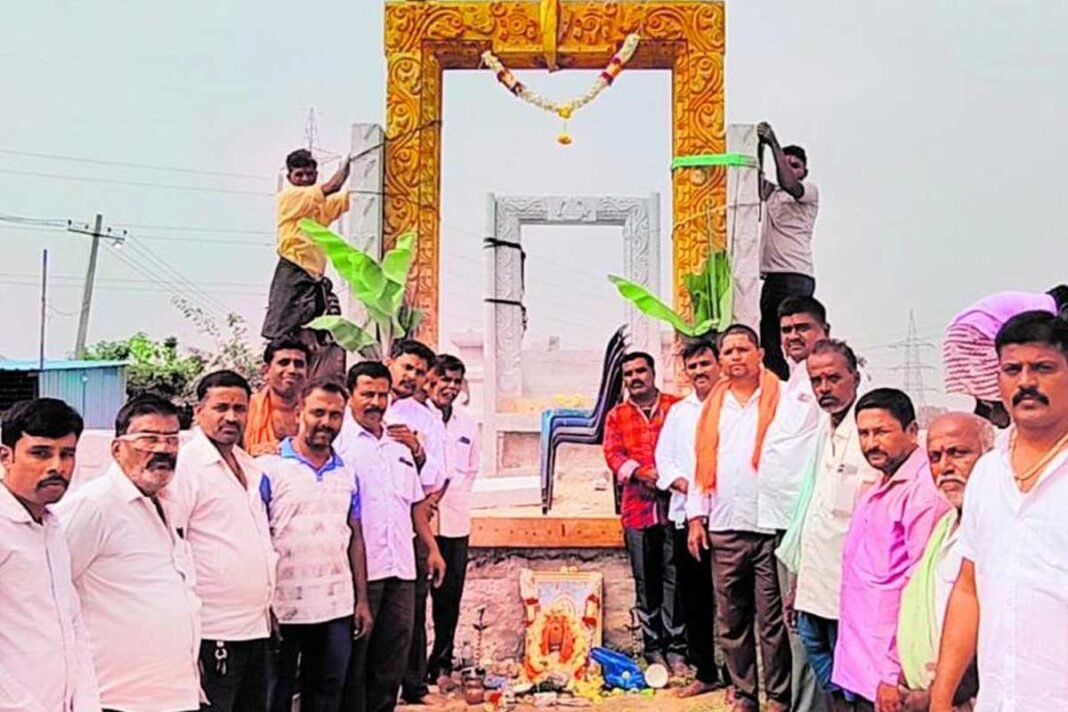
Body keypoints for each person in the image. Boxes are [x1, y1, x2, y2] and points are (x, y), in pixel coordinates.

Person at [931, 311, 1068, 711]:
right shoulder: (988, 473)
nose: (1026, 381)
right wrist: (941, 698)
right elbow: (969, 587)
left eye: (1043, 367)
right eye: (1012, 369)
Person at [57, 395, 202, 712]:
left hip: (173, 694)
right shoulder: (93, 506)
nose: (163, 449)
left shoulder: (165, 502)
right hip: (116, 699)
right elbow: (45, 591)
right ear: (117, 448)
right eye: (148, 438)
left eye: (171, 439)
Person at [688, 324, 791, 712]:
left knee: (772, 623)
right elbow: (700, 463)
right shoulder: (712, 405)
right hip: (725, 527)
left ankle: (779, 697)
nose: (735, 357)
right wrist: (697, 519)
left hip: (769, 526)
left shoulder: (780, 397)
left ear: (759, 353)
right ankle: (745, 696)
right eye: (728, 351)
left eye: (742, 349)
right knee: (732, 622)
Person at [160, 371, 277, 712]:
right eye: (221, 407)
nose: (231, 417)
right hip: (213, 631)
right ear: (199, 411)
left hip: (255, 626)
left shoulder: (247, 465)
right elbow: (172, 547)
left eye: (240, 409)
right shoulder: (187, 467)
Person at [831, 389, 950, 711]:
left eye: (881, 431)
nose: (871, 443)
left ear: (912, 431)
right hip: (859, 660)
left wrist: (893, 673)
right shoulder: (880, 483)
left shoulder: (922, 492)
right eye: (864, 433)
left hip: (891, 672)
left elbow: (920, 588)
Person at [777, 340, 880, 710]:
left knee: (856, 691)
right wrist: (799, 584)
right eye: (817, 380)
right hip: (814, 589)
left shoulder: (870, 433)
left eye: (833, 378)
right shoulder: (825, 429)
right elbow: (815, 511)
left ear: (855, 376)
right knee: (831, 686)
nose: (824, 388)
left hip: (850, 595)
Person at [258, 379, 372, 712]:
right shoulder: (268, 469)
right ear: (299, 412)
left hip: (335, 607)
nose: (326, 422)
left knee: (326, 694)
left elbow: (355, 537)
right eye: (318, 413)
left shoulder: (348, 473)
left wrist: (361, 600)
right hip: (283, 607)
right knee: (274, 696)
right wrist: (264, 603)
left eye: (335, 415)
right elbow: (257, 536)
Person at [339, 361, 446, 712]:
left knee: (393, 657)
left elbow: (415, 505)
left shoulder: (400, 443)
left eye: (381, 395)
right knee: (356, 661)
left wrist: (432, 548)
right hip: (362, 572)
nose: (375, 402)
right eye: (367, 394)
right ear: (350, 395)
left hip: (401, 569)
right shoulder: (340, 447)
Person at [0, 398, 101, 712]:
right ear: (5, 456)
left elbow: (70, 626)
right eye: (41, 453)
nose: (57, 466)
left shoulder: (52, 526)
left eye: (66, 454)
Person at [758, 296, 830, 712]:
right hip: (781, 522)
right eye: (787, 330)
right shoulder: (792, 384)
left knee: (806, 627)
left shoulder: (822, 380)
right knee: (789, 624)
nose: (793, 336)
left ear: (825, 331)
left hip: (807, 525)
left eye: (803, 327)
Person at [896, 413, 991, 711]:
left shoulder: (1000, 529)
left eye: (958, 453)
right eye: (935, 457)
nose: (945, 467)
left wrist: (946, 692)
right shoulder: (946, 525)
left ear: (990, 457)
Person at [602, 352, 685, 673]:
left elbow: (688, 446)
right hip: (637, 509)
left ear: (654, 373)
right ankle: (653, 649)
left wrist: (668, 476)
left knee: (674, 578)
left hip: (674, 507)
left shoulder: (676, 408)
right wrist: (640, 472)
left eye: (641, 371)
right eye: (628, 374)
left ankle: (677, 648)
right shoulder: (617, 416)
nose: (635, 378)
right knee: (645, 581)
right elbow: (612, 453)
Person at [654, 337, 726, 696]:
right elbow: (663, 462)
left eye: (705, 364)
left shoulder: (734, 407)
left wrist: (709, 488)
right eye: (693, 366)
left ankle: (740, 676)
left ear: (719, 364)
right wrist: (690, 486)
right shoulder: (680, 412)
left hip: (728, 517)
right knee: (694, 597)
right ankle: (706, 671)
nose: (699, 371)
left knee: (732, 601)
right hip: (686, 517)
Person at [261, 149, 354, 382]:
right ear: (290, 176)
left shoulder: (317, 206)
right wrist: (352, 159)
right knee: (286, 334)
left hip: (313, 278)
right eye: (299, 174)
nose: (304, 179)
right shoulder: (289, 198)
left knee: (318, 335)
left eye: (309, 174)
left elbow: (346, 199)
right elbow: (333, 186)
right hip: (293, 271)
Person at [425, 354, 481, 683]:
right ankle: (412, 668)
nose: (450, 386)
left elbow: (471, 469)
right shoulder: (415, 418)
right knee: (416, 601)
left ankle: (441, 663)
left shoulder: (467, 422)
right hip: (423, 523)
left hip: (457, 521)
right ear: (430, 380)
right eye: (444, 379)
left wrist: (456, 497)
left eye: (456, 381)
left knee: (449, 598)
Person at [942, 287, 1068, 428]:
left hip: (958, 336)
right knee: (1008, 392)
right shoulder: (1044, 313)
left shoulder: (1033, 302)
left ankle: (981, 429)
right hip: (975, 335)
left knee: (988, 397)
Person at [757, 121, 820, 381]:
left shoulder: (807, 192)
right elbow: (753, 179)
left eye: (796, 165)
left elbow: (789, 183)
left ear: (804, 171)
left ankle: (808, 381)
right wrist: (758, 148)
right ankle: (780, 391)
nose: (791, 170)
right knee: (770, 344)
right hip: (773, 278)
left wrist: (774, 143)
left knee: (796, 338)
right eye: (787, 163)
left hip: (795, 276)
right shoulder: (773, 193)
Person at [245, 338, 310, 456]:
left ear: (307, 373)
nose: (292, 370)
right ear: (266, 371)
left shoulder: (316, 411)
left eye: (299, 364)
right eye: (284, 363)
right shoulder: (246, 409)